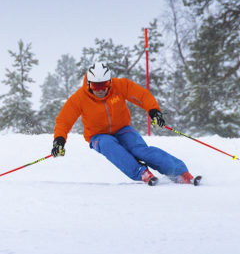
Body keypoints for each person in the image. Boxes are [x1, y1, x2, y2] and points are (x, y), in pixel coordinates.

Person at [51, 62, 199, 186]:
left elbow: (142, 95)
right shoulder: (79, 98)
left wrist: (154, 111)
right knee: (109, 145)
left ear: (109, 82)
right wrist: (59, 140)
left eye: (104, 85)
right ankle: (142, 173)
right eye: (96, 86)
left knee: (140, 150)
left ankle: (180, 173)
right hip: (98, 136)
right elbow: (64, 120)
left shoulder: (119, 86)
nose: (101, 90)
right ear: (89, 84)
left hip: (122, 129)